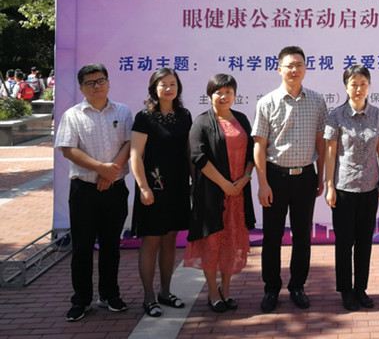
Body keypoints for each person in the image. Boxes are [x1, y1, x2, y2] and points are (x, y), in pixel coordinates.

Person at [54, 63, 132, 322]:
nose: (96, 86)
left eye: (100, 80)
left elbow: (129, 143)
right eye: (90, 83)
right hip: (84, 191)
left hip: (115, 189)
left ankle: (109, 295)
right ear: (81, 88)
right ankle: (81, 299)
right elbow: (68, 149)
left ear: (108, 82)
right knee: (83, 247)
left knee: (111, 245)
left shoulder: (123, 111)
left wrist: (112, 172)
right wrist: (101, 169)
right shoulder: (72, 115)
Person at [253, 46, 328, 313]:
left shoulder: (317, 101)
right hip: (275, 177)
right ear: (279, 69)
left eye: (299, 65)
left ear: (305, 68)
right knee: (272, 237)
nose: (294, 70)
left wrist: (322, 176)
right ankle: (271, 288)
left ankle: (297, 286)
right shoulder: (267, 102)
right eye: (289, 65)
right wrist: (262, 183)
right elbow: (259, 146)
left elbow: (321, 141)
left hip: (305, 177)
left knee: (302, 236)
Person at [184, 74, 255, 313]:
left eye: (228, 92)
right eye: (219, 92)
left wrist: (245, 178)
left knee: (230, 243)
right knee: (212, 243)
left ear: (235, 95)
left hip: (238, 194)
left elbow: (252, 153)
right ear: (210, 95)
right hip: (212, 195)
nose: (224, 97)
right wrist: (225, 184)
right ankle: (212, 292)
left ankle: (226, 288)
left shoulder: (242, 119)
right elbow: (198, 157)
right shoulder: (201, 122)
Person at [324, 65, 379, 311]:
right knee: (344, 242)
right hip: (344, 189)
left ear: (369, 86)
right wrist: (329, 186)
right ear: (346, 87)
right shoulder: (336, 115)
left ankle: (361, 289)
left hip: (370, 188)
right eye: (353, 84)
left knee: (364, 242)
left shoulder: (377, 114)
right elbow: (330, 153)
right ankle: (346, 291)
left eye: (363, 83)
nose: (359, 88)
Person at [129, 68, 192, 317]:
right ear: (154, 88)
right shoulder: (144, 117)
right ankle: (149, 297)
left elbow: (188, 152)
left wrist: (195, 182)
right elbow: (135, 155)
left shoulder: (184, 115)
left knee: (170, 239)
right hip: (153, 187)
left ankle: (166, 292)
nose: (168, 88)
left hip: (178, 186)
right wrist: (143, 187)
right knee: (151, 240)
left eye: (173, 84)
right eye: (163, 84)